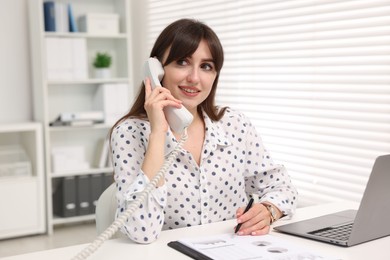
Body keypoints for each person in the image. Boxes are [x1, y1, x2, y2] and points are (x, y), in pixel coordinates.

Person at [110, 18, 298, 244]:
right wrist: (158, 133)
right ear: (157, 71)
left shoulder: (234, 124)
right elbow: (141, 231)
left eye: (206, 66)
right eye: (182, 62)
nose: (194, 78)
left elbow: (282, 186)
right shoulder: (129, 132)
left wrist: (269, 210)